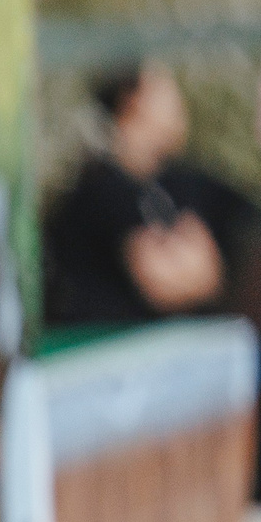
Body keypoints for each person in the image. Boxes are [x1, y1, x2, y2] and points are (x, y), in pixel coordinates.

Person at [44, 59, 260, 325]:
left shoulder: (182, 179)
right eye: (167, 91)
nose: (180, 104)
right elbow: (169, 283)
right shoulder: (99, 191)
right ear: (136, 100)